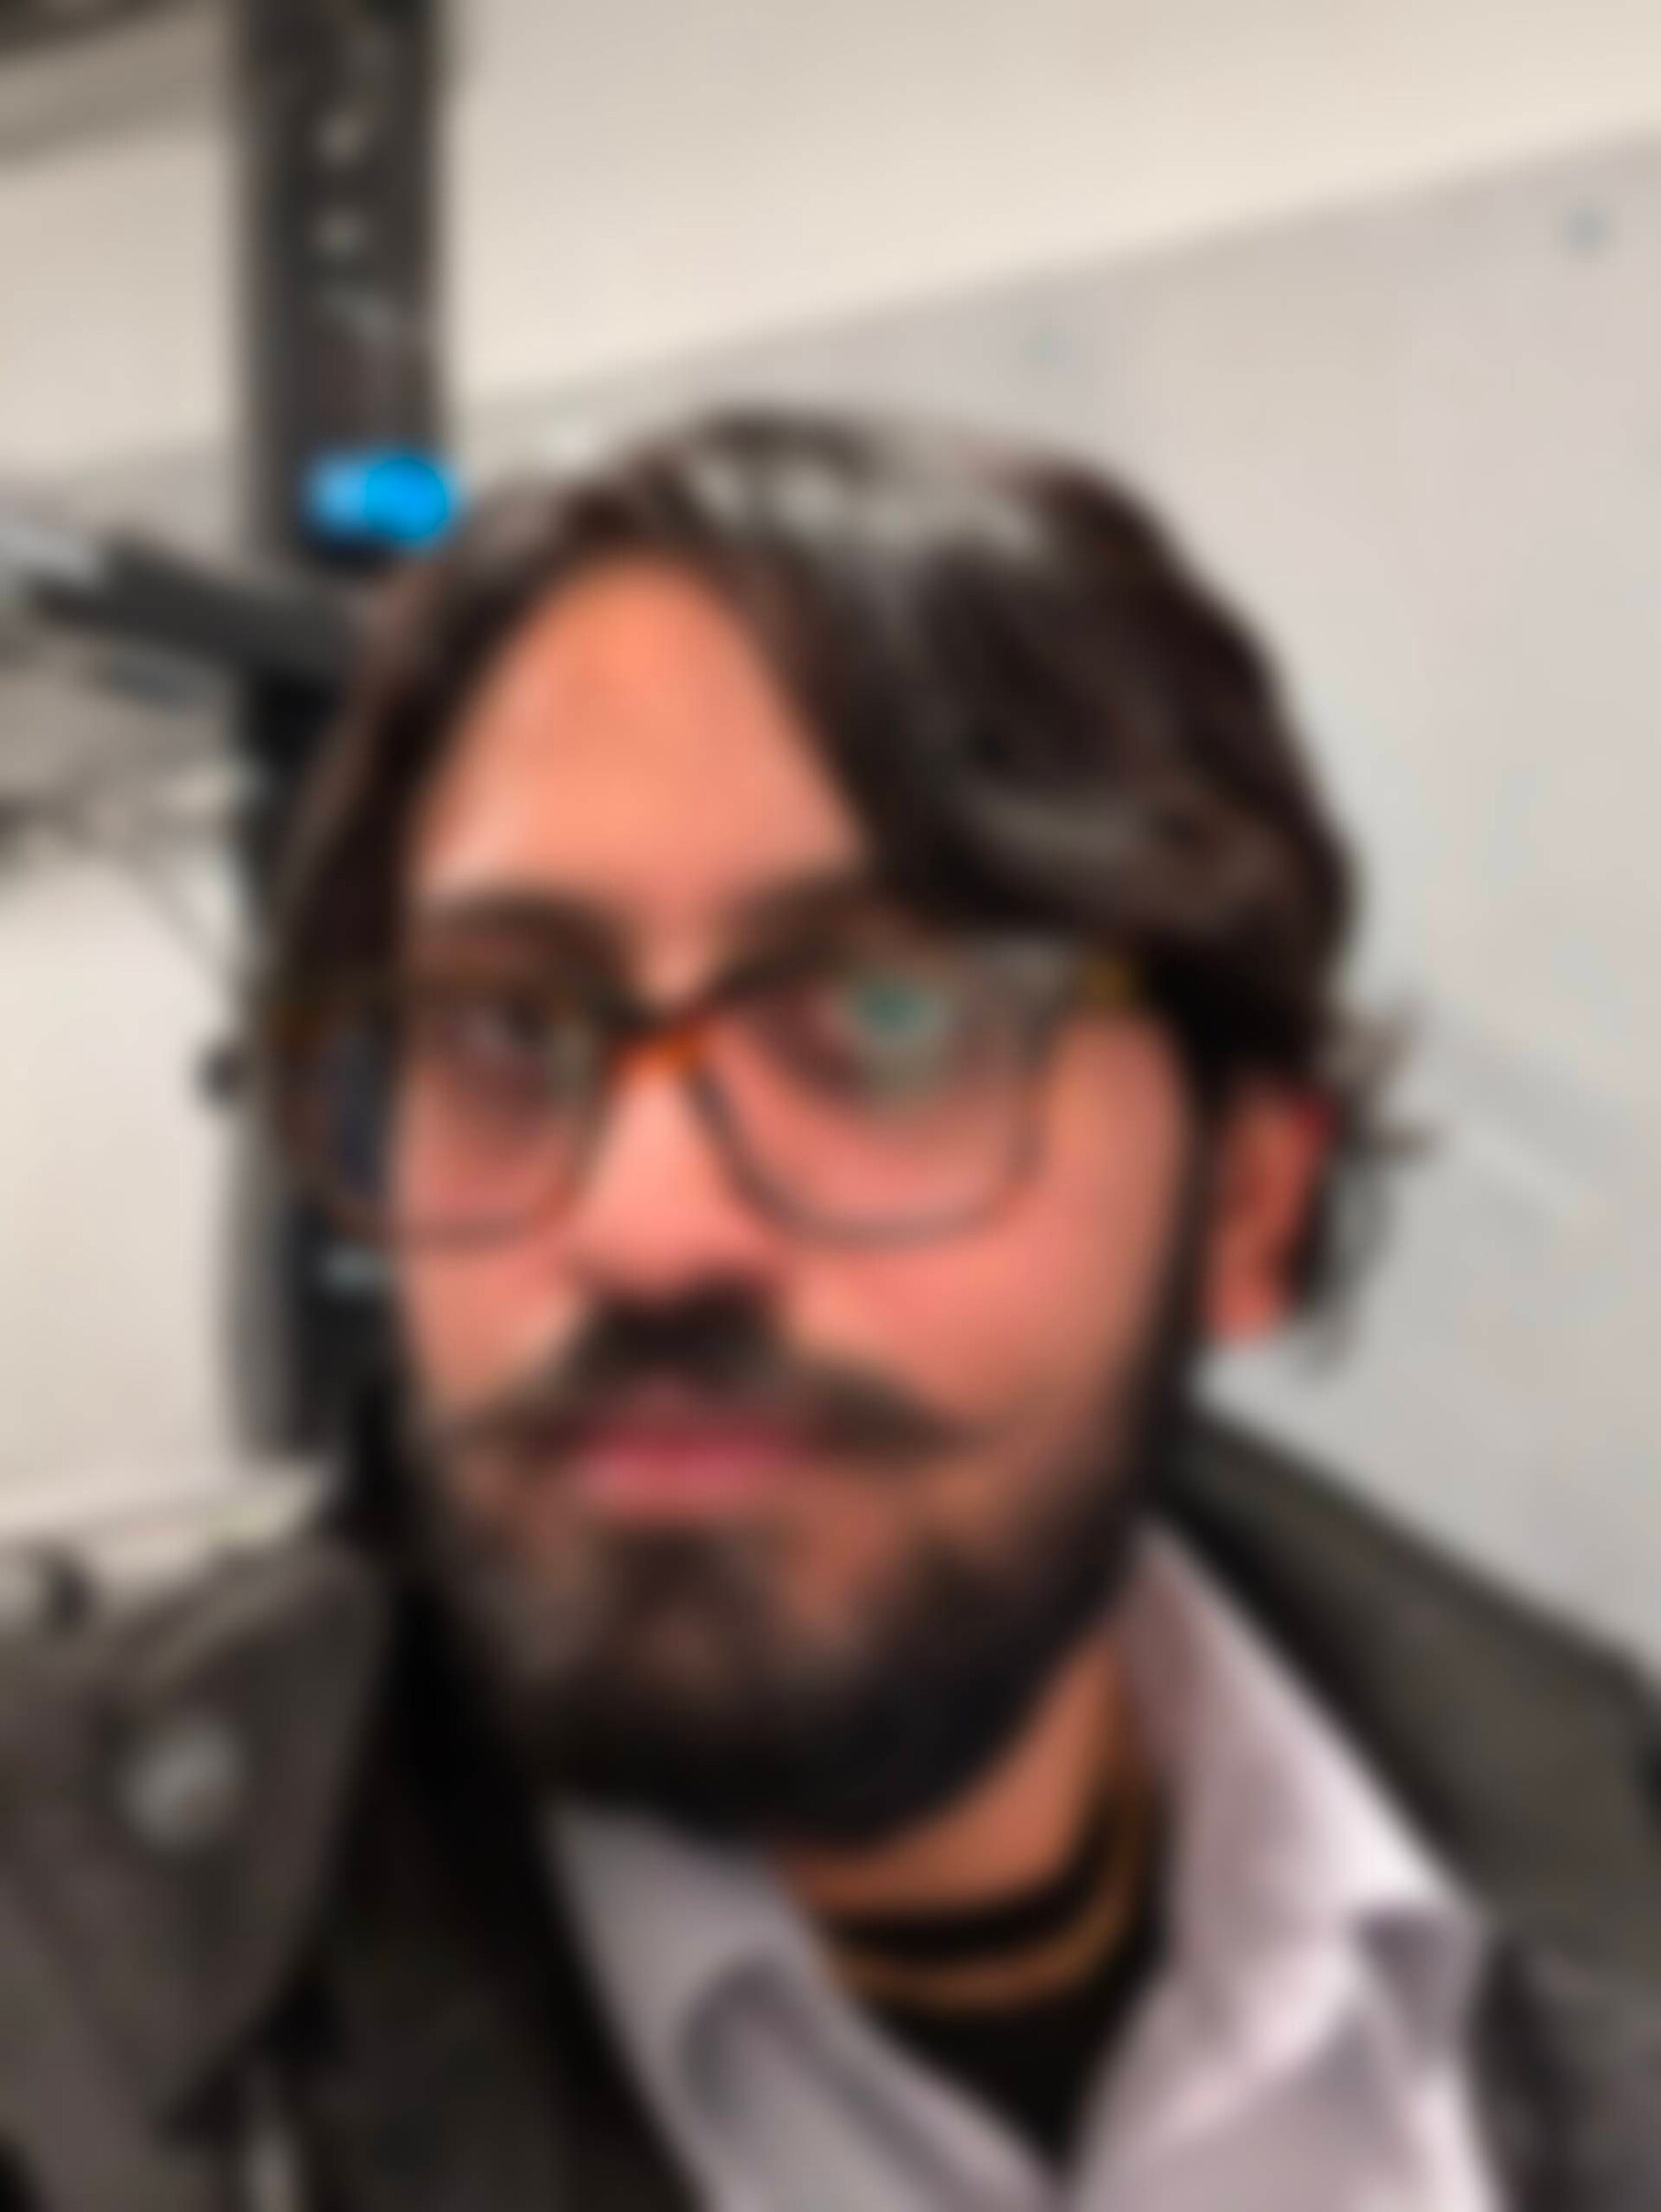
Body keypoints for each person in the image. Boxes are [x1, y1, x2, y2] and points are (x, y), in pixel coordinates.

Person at [0, 409, 1656, 2212]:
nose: (639, 1229)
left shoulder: (1598, 1888)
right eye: (498, 1026)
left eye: (889, 1017)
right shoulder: (75, 2023)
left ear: (1245, 1202)